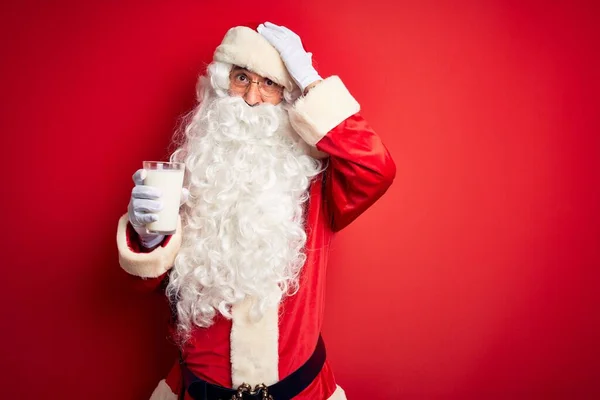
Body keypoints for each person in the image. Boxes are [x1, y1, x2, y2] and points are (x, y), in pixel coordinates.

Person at [116, 22, 396, 400]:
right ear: (221, 83)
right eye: (241, 78)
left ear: (286, 97)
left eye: (269, 84)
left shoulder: (314, 183)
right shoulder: (194, 175)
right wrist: (149, 238)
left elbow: (376, 167)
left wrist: (311, 81)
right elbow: (147, 287)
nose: (251, 97)